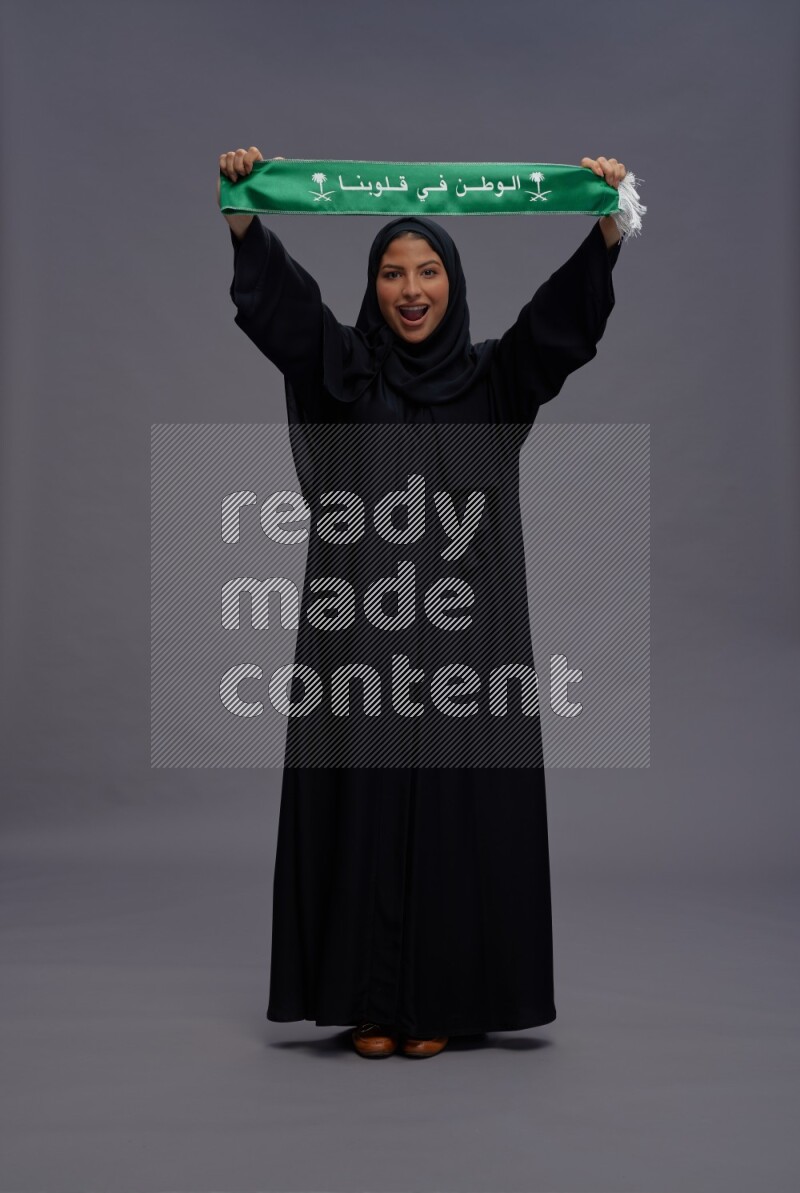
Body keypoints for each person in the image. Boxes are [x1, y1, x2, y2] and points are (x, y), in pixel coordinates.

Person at [219, 147, 627, 1059]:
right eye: (393, 273)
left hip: (466, 648)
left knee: (453, 815)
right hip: (362, 640)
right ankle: (369, 1001)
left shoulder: (493, 382)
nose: (411, 290)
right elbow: (287, 316)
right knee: (362, 804)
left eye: (429, 271)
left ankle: (436, 1000)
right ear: (374, 287)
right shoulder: (344, 376)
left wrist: (606, 228)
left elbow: (557, 328)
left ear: (453, 283)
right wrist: (244, 214)